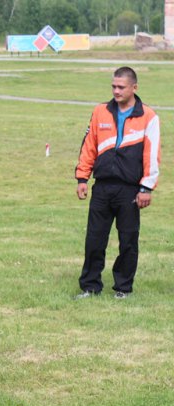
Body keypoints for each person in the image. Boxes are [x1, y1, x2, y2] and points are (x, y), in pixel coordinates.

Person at [74, 66, 160, 299]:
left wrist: (146, 188)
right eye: (113, 86)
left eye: (121, 87)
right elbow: (88, 146)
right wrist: (82, 177)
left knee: (128, 241)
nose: (116, 91)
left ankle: (123, 288)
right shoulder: (100, 111)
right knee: (94, 239)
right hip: (102, 187)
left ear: (134, 88)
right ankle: (90, 286)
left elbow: (152, 155)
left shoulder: (149, 117)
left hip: (130, 190)